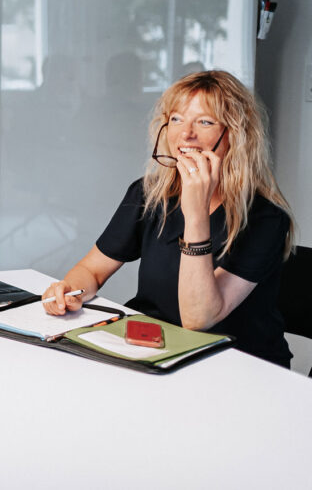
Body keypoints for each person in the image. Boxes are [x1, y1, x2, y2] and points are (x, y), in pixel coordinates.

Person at [43, 70, 294, 366]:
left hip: (235, 364)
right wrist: (71, 290)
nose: (185, 134)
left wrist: (196, 213)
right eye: (176, 119)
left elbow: (198, 318)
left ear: (236, 135)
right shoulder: (148, 193)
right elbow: (92, 269)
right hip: (152, 350)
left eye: (205, 121)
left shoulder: (266, 219)